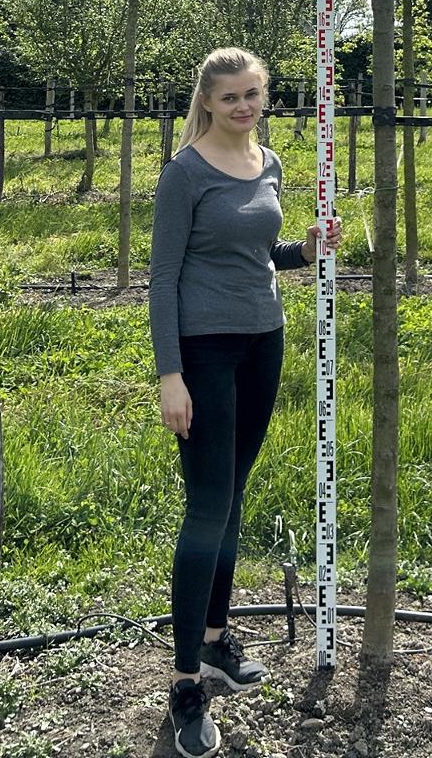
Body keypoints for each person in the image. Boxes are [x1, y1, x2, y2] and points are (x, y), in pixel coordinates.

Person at [150, 46, 341, 758]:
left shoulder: (270, 163)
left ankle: (214, 639)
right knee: (206, 507)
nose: (243, 107)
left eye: (253, 95)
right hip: (204, 352)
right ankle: (184, 688)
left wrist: (305, 250)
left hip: (265, 341)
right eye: (230, 97)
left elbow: (257, 254)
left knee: (232, 497)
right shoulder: (185, 174)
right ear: (206, 101)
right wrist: (171, 374)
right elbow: (162, 278)